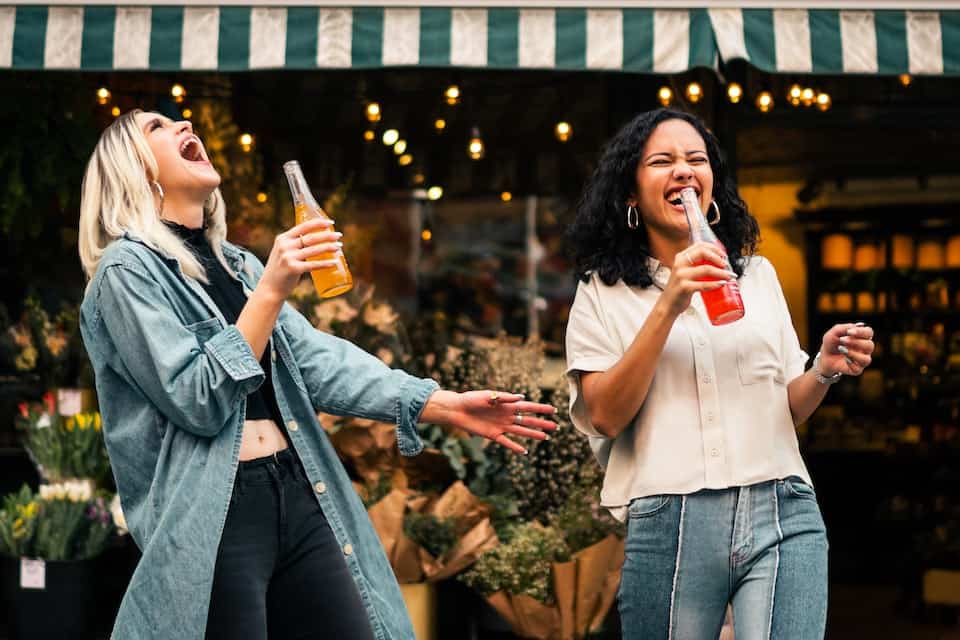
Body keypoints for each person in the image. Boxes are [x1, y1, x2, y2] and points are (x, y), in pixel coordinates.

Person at [77, 109, 557, 640]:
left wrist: (439, 403)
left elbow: (317, 362)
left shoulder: (237, 264)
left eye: (180, 122)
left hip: (299, 486)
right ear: (134, 169)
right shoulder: (126, 272)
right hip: (212, 513)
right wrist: (272, 290)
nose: (184, 127)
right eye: (159, 128)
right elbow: (196, 398)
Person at [564, 108, 874, 639]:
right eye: (662, 161)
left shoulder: (755, 277)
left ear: (710, 190)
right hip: (671, 520)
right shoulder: (603, 292)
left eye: (697, 160)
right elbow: (604, 416)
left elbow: (786, 406)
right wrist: (670, 304)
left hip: (783, 506)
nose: (684, 171)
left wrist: (822, 369)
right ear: (631, 196)